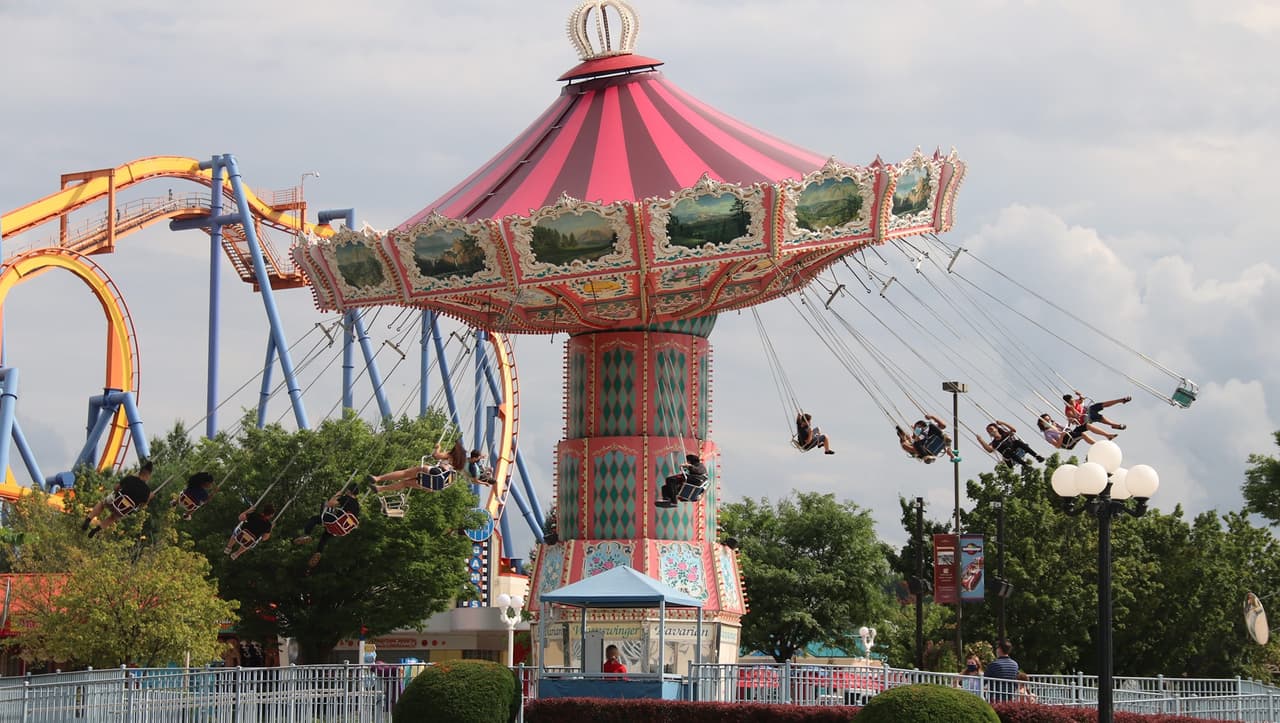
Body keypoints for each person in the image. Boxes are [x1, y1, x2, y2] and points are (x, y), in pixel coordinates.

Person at [294, 485, 361, 568]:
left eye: (347, 490)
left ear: (349, 491)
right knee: (325, 535)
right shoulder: (357, 506)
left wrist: (337, 495)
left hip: (335, 521)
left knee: (314, 519)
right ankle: (319, 552)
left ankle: (306, 534)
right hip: (342, 529)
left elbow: (330, 504)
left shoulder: (346, 498)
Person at [83, 460, 154, 537]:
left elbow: (116, 488)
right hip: (123, 510)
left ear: (140, 472)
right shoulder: (147, 491)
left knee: (102, 504)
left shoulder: (130, 478)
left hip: (115, 501)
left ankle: (88, 519)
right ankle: (96, 530)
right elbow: (141, 506)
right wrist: (149, 498)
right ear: (148, 475)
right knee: (113, 518)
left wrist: (117, 492)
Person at [370, 441, 466, 493]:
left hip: (434, 472)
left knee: (405, 473)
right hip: (436, 485)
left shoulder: (450, 455)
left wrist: (438, 448)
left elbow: (435, 456)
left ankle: (378, 478)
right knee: (405, 483)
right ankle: (380, 489)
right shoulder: (457, 465)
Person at [975, 421, 1044, 469]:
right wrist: (981, 440)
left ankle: (1037, 456)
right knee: (1007, 450)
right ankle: (1025, 465)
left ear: (996, 428)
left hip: (1017, 450)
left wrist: (1002, 423)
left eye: (991, 429)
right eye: (989, 431)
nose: (991, 432)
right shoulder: (994, 443)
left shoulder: (1005, 434)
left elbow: (1013, 430)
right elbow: (989, 450)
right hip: (1009, 458)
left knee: (1017, 442)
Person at [1037, 413, 1114, 450]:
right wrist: (1062, 436)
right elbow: (1057, 446)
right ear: (1042, 423)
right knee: (1082, 434)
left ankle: (1107, 435)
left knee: (1086, 425)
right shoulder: (1047, 434)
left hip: (1068, 435)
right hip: (1065, 442)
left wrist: (1070, 422)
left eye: (1049, 419)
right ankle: (1098, 446)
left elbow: (1067, 429)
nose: (1049, 421)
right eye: (1047, 421)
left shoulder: (1055, 424)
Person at [1064, 391, 1131, 431]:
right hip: (1084, 419)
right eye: (1071, 402)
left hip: (1088, 411)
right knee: (1097, 416)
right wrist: (1073, 409)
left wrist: (1079, 395)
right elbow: (1077, 417)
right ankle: (1115, 425)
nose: (1073, 402)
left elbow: (1081, 400)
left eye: (1072, 400)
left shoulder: (1075, 401)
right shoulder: (1068, 411)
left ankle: (1121, 400)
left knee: (1100, 405)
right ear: (1068, 403)